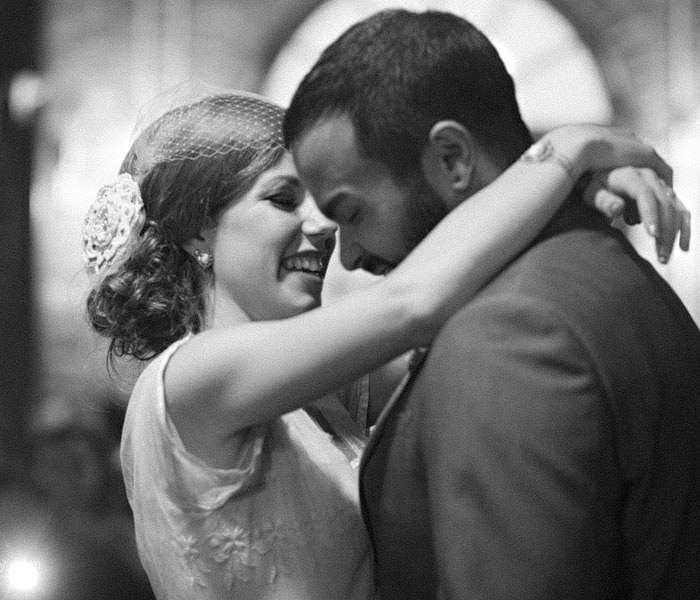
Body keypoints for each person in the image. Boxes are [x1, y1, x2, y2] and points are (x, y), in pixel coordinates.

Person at [83, 91, 684, 600]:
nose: (322, 224)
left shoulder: (315, 396)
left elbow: (467, 289)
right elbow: (417, 299)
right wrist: (568, 151)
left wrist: (575, 198)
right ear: (195, 231)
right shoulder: (192, 376)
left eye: (323, 199)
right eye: (283, 199)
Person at [283, 9, 699, 599]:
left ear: (452, 158)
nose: (346, 257)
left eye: (352, 213)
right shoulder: (593, 263)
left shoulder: (507, 337)